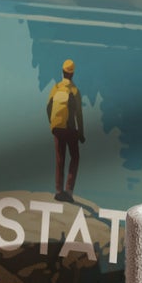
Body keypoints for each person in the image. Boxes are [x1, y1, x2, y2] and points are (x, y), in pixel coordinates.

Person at [46, 58, 84, 201]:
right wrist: (81, 133)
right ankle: (68, 192)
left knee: (60, 159)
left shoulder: (55, 88)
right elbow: (79, 114)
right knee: (75, 157)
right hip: (70, 129)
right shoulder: (74, 90)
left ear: (62, 73)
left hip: (57, 128)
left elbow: (48, 107)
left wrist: (53, 123)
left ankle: (58, 191)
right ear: (72, 74)